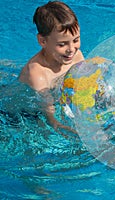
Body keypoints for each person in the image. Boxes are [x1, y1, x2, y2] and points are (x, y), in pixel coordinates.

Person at [18, 1, 84, 131]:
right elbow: (52, 119)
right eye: (62, 44)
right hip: (23, 114)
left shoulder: (76, 55)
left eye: (75, 40)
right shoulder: (38, 74)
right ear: (42, 41)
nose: (71, 49)